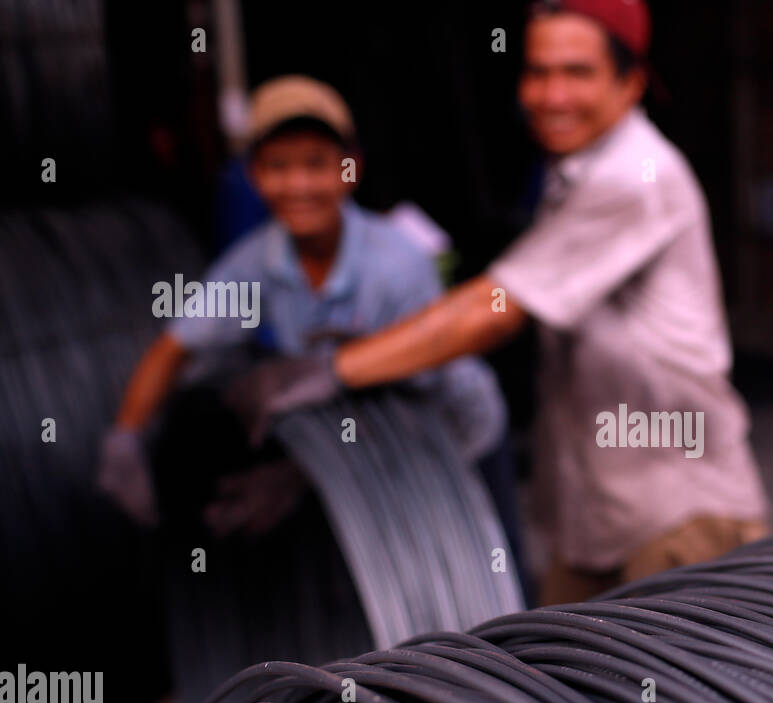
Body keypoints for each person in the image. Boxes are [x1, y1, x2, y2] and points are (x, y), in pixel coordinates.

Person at [228, 1, 769, 604]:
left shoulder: (634, 175)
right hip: (596, 525)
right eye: (537, 72)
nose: (550, 94)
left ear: (631, 82)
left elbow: (495, 308)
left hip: (678, 521)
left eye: (577, 73)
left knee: (663, 698)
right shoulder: (575, 175)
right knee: (550, 688)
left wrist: (326, 371)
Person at [97, 75, 512, 546]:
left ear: (350, 169)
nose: (298, 185)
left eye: (317, 164)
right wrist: (125, 436)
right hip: (363, 445)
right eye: (278, 166)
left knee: (472, 570)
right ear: (254, 176)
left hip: (453, 433)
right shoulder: (254, 263)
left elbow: (412, 408)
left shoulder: (397, 266)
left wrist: (303, 476)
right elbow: (173, 349)